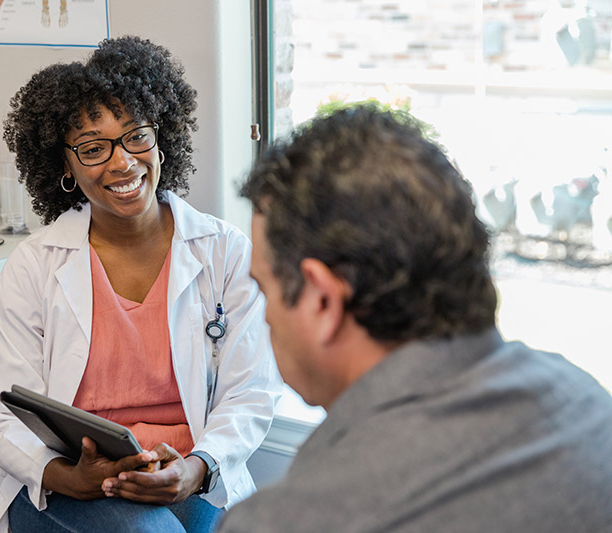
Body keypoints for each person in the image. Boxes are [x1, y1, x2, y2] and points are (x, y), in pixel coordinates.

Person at [218, 104, 612, 532]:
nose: (266, 316)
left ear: (323, 301)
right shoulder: (590, 406)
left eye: (264, 288)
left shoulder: (288, 521)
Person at [0, 36, 282, 533]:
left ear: (161, 137)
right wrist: (67, 477)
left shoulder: (223, 251)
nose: (122, 163)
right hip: (69, 481)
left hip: (187, 470)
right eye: (94, 148)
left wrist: (196, 468)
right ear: (65, 167)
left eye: (136, 136)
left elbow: (252, 392)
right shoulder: (35, 265)